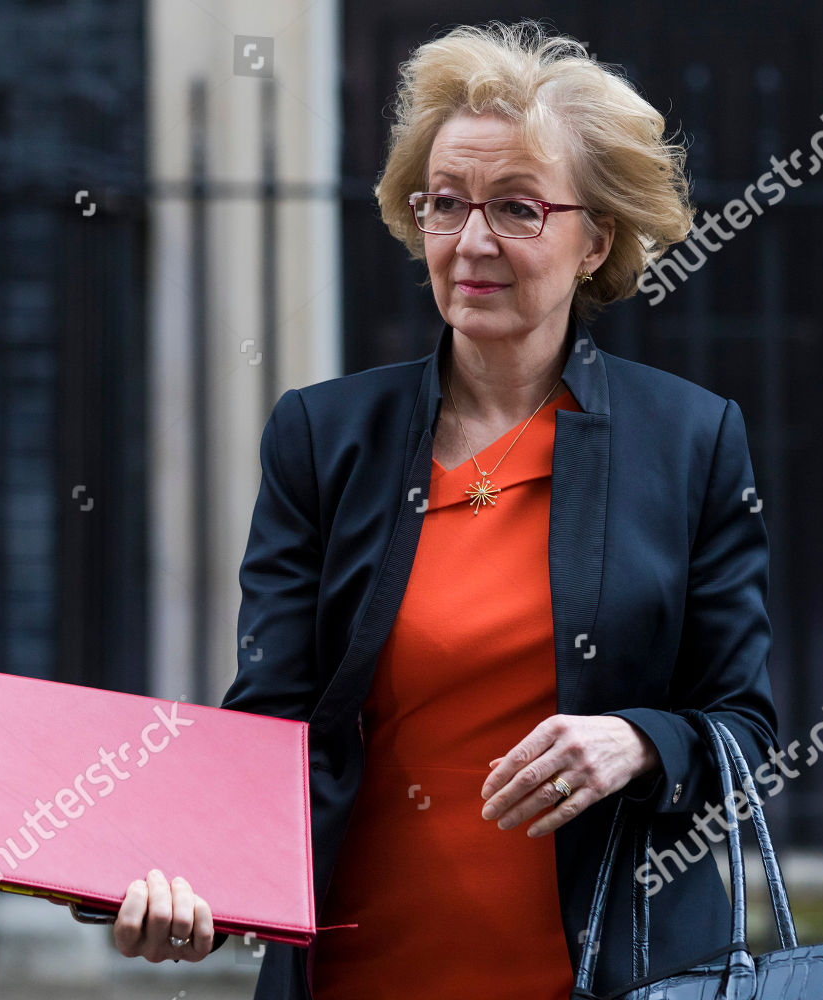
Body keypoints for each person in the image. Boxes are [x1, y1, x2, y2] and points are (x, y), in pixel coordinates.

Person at [111, 19, 779, 999]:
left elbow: (746, 728)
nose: (471, 241)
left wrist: (635, 740)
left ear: (595, 238)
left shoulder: (691, 441)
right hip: (361, 974)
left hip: (612, 978)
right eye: (446, 204)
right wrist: (192, 888)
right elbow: (268, 726)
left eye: (517, 208)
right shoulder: (322, 437)